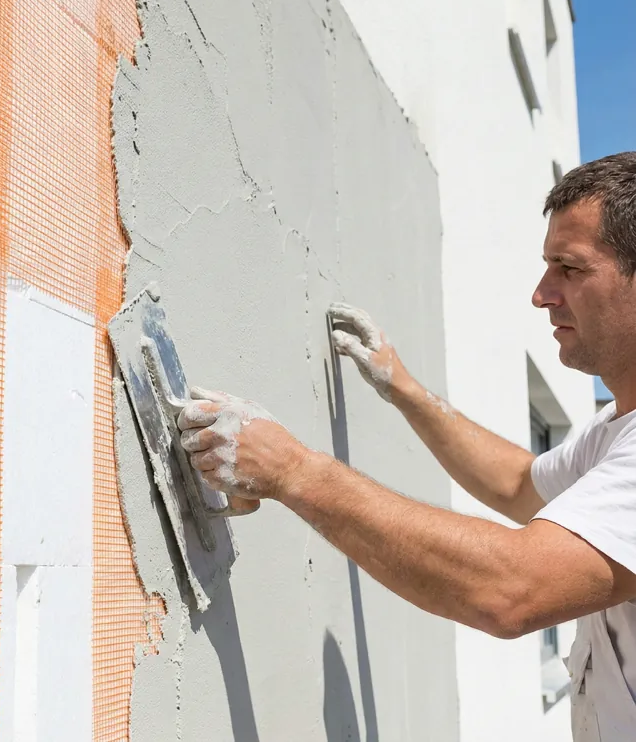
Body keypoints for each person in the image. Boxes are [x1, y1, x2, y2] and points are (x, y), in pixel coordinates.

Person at [177, 152, 636, 741]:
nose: (541, 294)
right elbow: (519, 485)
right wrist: (403, 387)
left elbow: (510, 590)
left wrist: (294, 472)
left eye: (569, 268)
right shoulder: (611, 431)